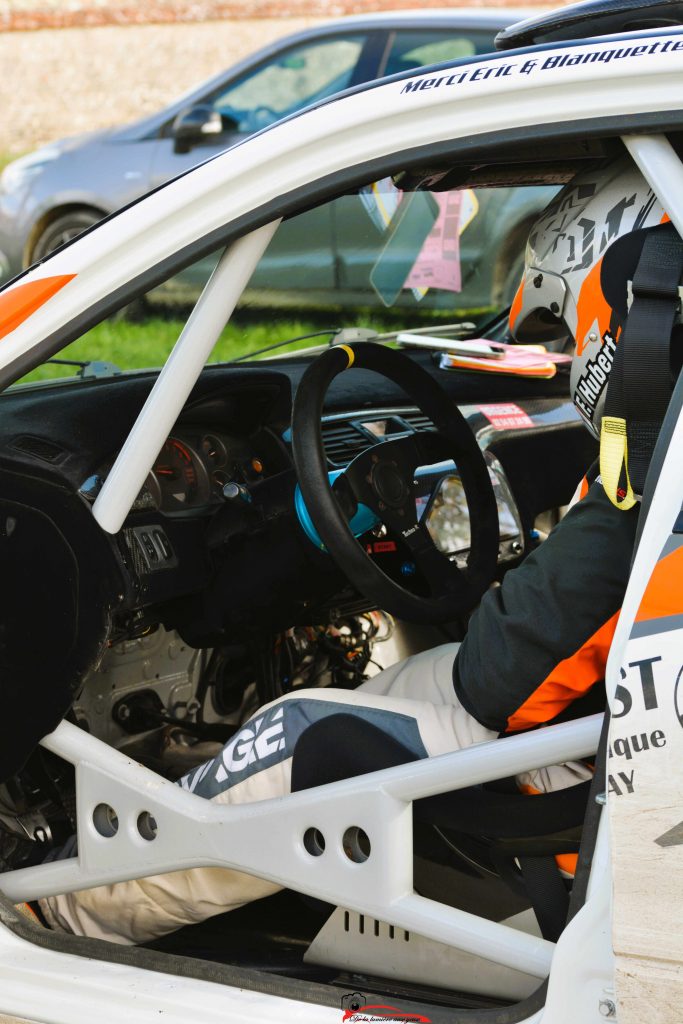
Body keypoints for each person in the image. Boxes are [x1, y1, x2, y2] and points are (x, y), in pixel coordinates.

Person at [26, 157, 677, 943]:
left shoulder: (653, 460)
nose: (572, 352)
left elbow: (508, 677)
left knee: (297, 731)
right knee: (400, 684)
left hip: (587, 789)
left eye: (571, 331)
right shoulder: (654, 446)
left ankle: (52, 914)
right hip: (594, 739)